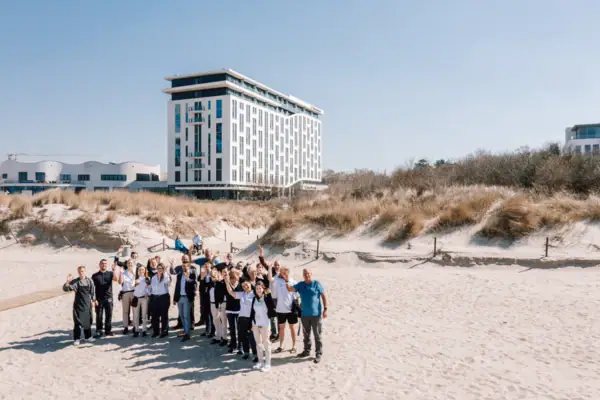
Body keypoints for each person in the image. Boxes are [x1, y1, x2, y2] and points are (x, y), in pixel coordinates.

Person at [286, 268, 328, 364]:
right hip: (304, 315)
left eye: (308, 273)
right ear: (303, 275)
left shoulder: (316, 284)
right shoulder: (301, 285)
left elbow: (323, 296)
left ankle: (318, 353)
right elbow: (290, 289)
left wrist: (325, 309)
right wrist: (286, 280)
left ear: (311, 274)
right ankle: (306, 351)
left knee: (317, 335)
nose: (306, 275)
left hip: (316, 315)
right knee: (306, 335)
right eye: (305, 274)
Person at [224, 274, 258, 362]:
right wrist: (227, 282)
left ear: (251, 285)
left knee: (252, 337)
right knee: (243, 337)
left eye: (247, 285)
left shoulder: (254, 294)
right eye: (244, 286)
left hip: (250, 319)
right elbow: (231, 292)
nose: (246, 287)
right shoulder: (242, 294)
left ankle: (255, 354)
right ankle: (246, 353)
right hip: (241, 318)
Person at [63, 266, 97, 346]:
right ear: (78, 272)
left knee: (87, 321)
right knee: (77, 322)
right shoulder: (76, 282)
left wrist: (94, 300)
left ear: (85, 271)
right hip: (78, 305)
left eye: (82, 271)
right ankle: (77, 338)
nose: (81, 273)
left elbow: (93, 291)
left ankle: (88, 337)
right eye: (80, 271)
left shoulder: (89, 281)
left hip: (87, 304)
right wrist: (67, 282)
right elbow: (66, 289)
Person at [271, 266, 299, 354]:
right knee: (281, 328)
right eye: (282, 272)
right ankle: (281, 346)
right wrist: (278, 274)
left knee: (292, 328)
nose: (284, 274)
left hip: (291, 310)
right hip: (280, 309)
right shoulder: (277, 281)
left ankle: (294, 346)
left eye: (286, 272)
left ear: (288, 272)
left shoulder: (293, 281)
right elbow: (272, 282)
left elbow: (297, 294)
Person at [249, 282, 276, 372]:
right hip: (256, 323)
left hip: (265, 323)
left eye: (260, 288)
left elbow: (272, 307)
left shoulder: (267, 298)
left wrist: (269, 294)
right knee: (258, 343)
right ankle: (260, 361)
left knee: (266, 343)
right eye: (257, 289)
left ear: (263, 289)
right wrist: (251, 324)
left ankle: (267, 363)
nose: (258, 290)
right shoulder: (254, 299)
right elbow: (252, 312)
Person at [91, 259, 118, 338]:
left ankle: (108, 330)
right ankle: (99, 330)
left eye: (105, 264)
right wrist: (94, 299)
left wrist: (114, 270)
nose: (104, 265)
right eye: (102, 263)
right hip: (98, 299)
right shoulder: (95, 275)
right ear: (99, 265)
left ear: (107, 265)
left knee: (108, 315)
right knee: (99, 316)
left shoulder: (110, 273)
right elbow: (92, 288)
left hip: (109, 298)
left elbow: (116, 279)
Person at [169, 255, 197, 330]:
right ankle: (180, 323)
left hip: (189, 293)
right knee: (181, 311)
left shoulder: (193, 268)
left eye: (186, 258)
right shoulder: (179, 267)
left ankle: (192, 323)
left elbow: (195, 281)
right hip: (181, 293)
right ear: (181, 259)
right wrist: (171, 265)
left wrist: (195, 291)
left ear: (189, 259)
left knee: (191, 309)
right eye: (183, 258)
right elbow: (172, 272)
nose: (185, 259)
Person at [173, 261, 197, 342]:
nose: (184, 268)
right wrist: (175, 298)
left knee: (186, 316)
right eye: (183, 266)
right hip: (180, 298)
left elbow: (194, 284)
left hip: (187, 298)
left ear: (189, 266)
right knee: (182, 315)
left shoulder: (192, 274)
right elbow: (177, 287)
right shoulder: (179, 275)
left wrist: (188, 279)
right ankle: (185, 331)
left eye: (186, 266)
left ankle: (187, 334)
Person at [150, 263, 171, 338]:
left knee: (164, 315)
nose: (159, 270)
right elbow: (151, 288)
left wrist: (165, 273)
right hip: (154, 297)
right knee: (155, 316)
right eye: (158, 268)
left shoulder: (165, 276)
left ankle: (164, 331)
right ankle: (156, 332)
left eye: (161, 268)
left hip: (164, 297)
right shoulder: (153, 277)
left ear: (163, 269)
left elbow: (168, 284)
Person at [224, 270, 242, 354]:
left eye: (234, 278)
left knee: (240, 329)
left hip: (239, 310)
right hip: (229, 309)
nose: (233, 280)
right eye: (231, 278)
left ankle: (240, 346)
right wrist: (227, 281)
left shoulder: (241, 285)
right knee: (232, 329)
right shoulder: (227, 285)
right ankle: (233, 345)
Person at [132, 266, 151, 337]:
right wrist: (134, 284)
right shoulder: (135, 279)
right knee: (136, 315)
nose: (141, 271)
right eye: (139, 270)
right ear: (137, 271)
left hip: (144, 299)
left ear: (145, 271)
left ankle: (144, 330)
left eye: (143, 269)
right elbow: (131, 287)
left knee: (144, 315)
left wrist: (148, 293)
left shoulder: (147, 279)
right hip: (136, 298)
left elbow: (149, 288)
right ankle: (136, 330)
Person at [199, 262, 216, 337]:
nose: (206, 267)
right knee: (206, 313)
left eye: (208, 266)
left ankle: (213, 331)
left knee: (212, 314)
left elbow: (213, 284)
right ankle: (207, 330)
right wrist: (203, 275)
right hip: (205, 296)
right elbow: (199, 280)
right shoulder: (203, 273)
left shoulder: (213, 274)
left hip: (212, 296)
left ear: (211, 266)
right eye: (205, 266)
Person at [119, 260, 136, 334]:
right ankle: (125, 327)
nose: (130, 264)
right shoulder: (123, 272)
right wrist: (120, 273)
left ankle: (135, 326)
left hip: (134, 293)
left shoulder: (136, 272)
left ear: (133, 264)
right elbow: (120, 282)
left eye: (131, 263)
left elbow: (138, 282)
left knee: (135, 311)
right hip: (125, 293)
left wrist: (134, 274)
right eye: (128, 263)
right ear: (126, 264)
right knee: (125, 311)